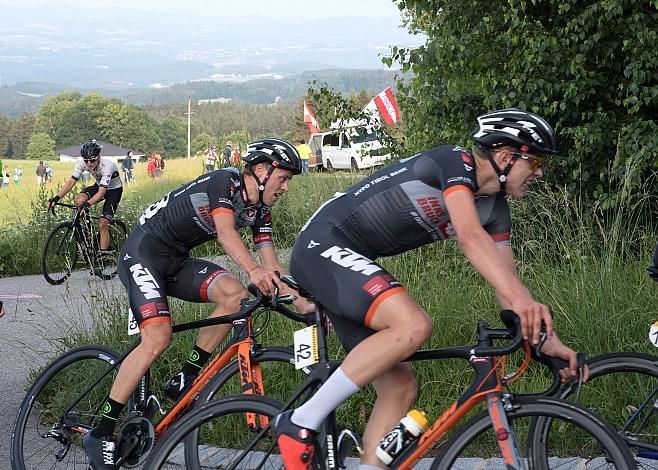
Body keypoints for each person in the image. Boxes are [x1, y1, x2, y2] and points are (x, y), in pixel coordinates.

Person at [273, 109, 589, 469]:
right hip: (323, 245)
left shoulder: (496, 209)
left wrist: (545, 340)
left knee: (400, 388)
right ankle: (300, 421)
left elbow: (509, 288)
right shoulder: (454, 162)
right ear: (505, 157)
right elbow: (469, 236)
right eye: (534, 163)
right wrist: (523, 301)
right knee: (413, 325)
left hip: (349, 261)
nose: (539, 172)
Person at [82, 138, 313, 470]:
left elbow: (272, 264)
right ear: (261, 170)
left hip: (175, 261)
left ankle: (185, 377)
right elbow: (225, 231)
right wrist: (253, 270)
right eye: (284, 178)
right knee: (158, 337)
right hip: (144, 252)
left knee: (236, 296)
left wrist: (303, 302)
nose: (286, 187)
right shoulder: (225, 181)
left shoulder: (260, 209)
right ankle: (101, 431)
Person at [47, 140, 123, 254]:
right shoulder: (82, 163)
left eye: (92, 160)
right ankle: (89, 233)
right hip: (99, 186)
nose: (88, 164)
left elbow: (102, 192)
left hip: (114, 190)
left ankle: (103, 256)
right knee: (79, 200)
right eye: (86, 160)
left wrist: (88, 204)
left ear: (98, 157)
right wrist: (57, 198)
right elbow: (71, 182)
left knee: (103, 223)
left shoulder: (108, 166)